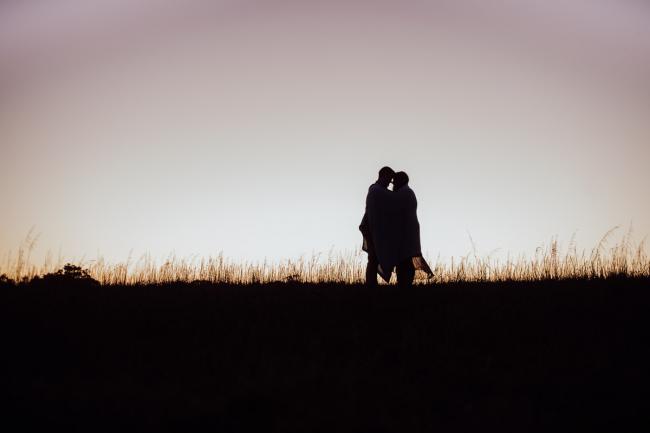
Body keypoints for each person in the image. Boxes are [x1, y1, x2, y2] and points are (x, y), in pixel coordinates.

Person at [392, 171, 433, 288]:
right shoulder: (406, 192)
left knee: (404, 258)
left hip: (407, 231)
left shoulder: (403, 193)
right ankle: (405, 284)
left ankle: (404, 285)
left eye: (394, 182)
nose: (393, 184)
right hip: (408, 230)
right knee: (405, 257)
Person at [359, 166, 395, 287]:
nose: (389, 183)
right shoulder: (376, 190)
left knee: (374, 257)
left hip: (374, 229)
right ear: (383, 176)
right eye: (389, 179)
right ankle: (371, 284)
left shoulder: (377, 190)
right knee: (373, 257)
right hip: (371, 229)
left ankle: (371, 284)